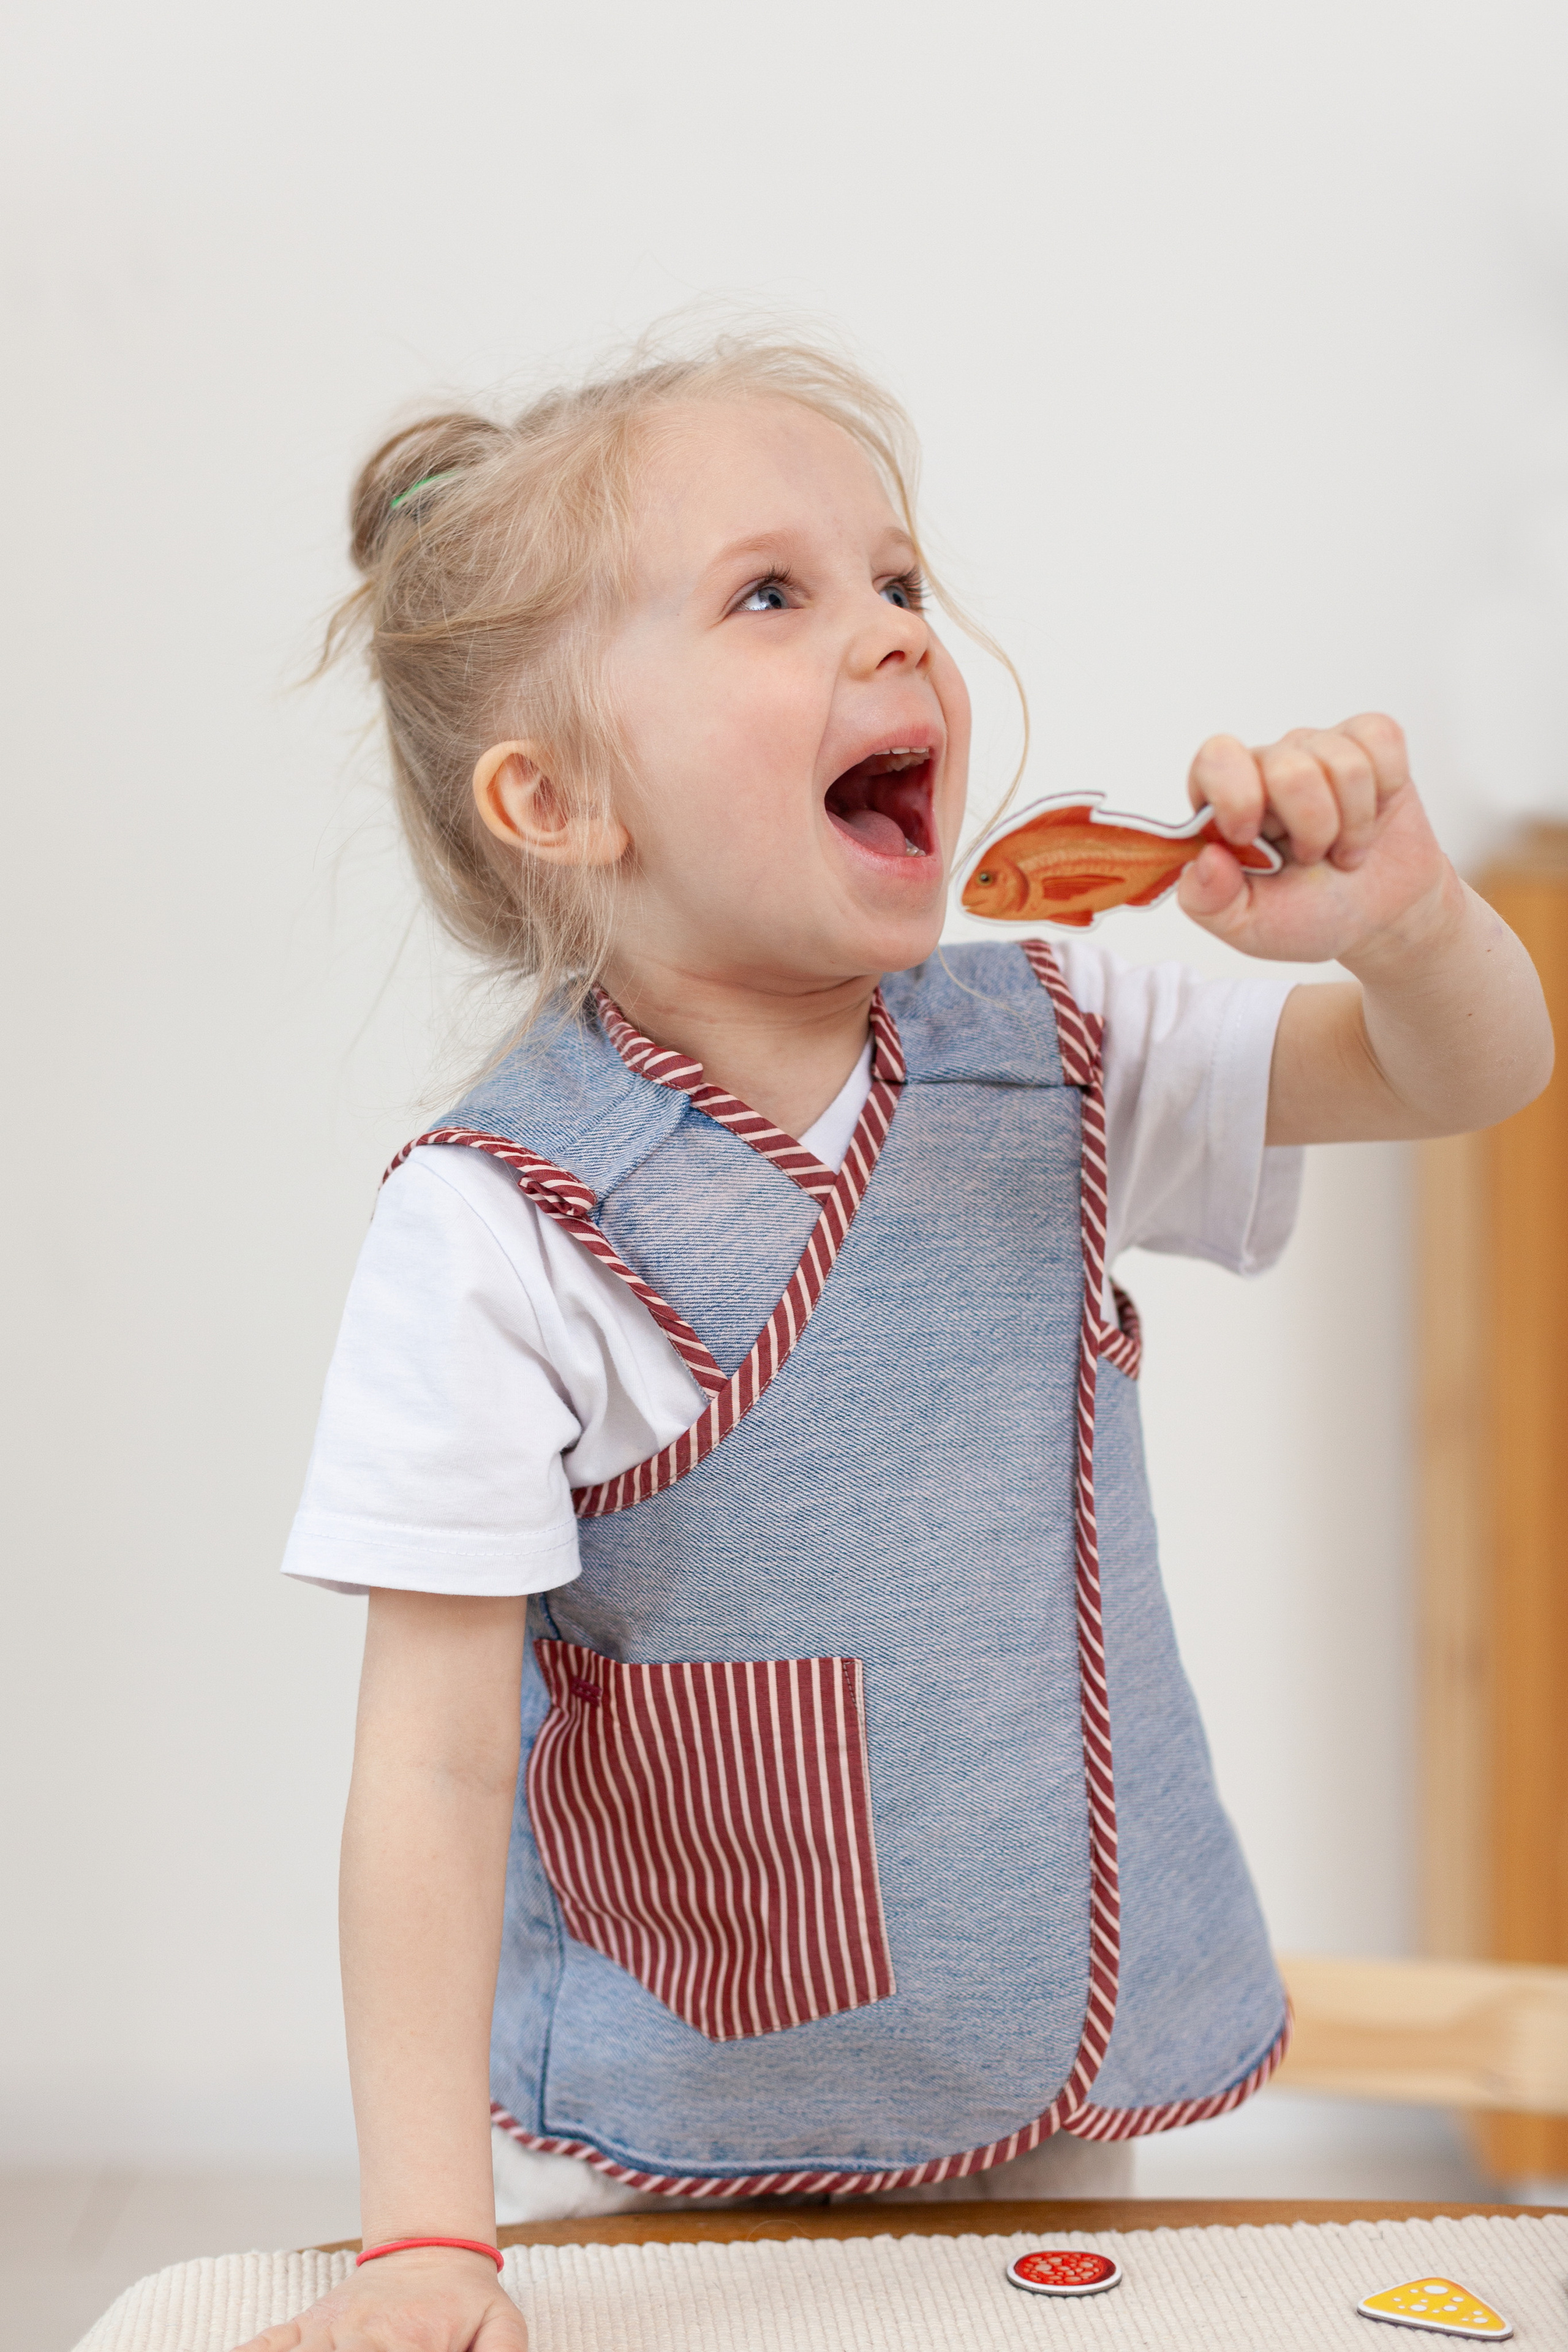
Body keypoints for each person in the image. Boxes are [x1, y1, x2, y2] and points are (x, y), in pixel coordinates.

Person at [242, 338, 1551, 2352]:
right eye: (776, 594)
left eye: (904, 581)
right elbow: (426, 1769)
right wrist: (428, 2246)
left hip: (1060, 2061)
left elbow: (1462, 1075)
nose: (897, 638)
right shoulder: (501, 1220)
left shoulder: (1066, 1045)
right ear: (557, 798)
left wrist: (1402, 921)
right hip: (688, 2130)